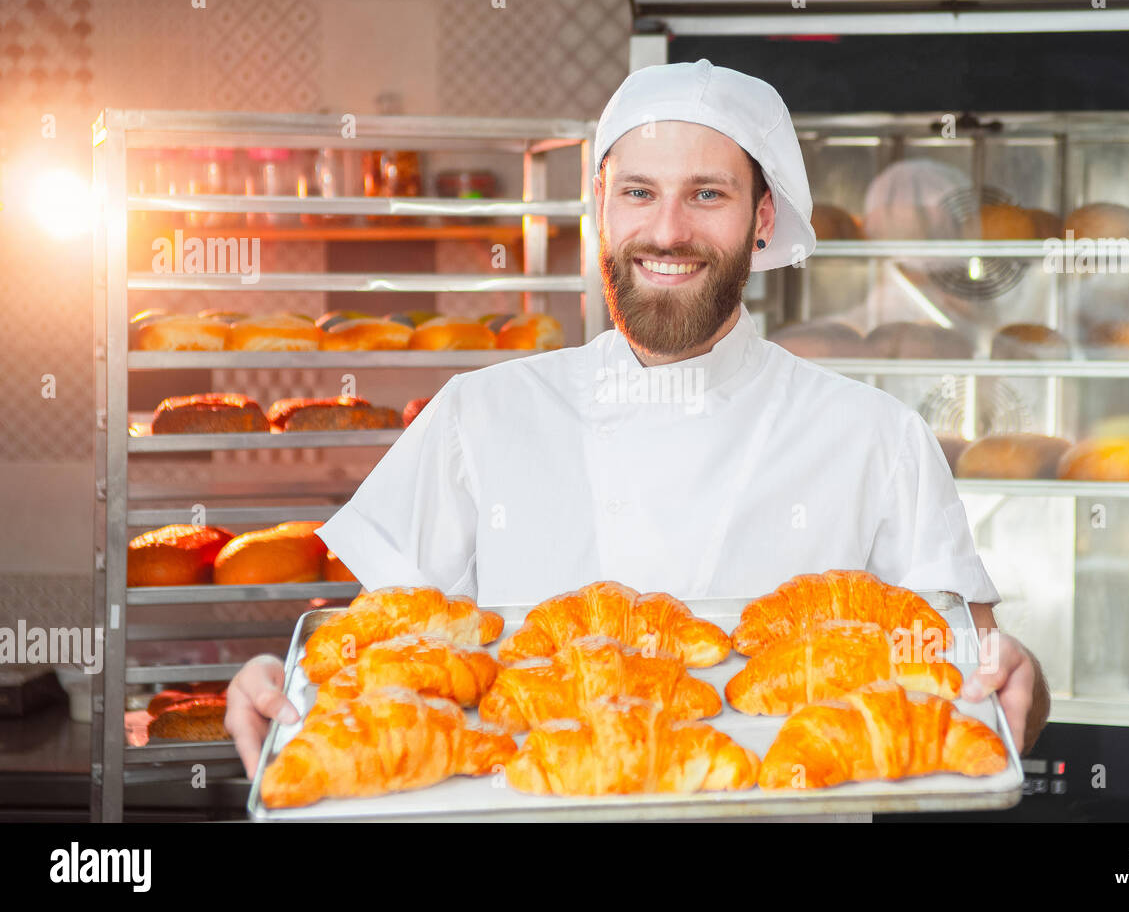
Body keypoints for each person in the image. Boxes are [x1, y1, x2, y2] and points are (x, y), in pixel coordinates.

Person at [226, 59, 1051, 781]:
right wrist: (281, 685)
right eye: (638, 193)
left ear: (761, 220)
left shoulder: (875, 437)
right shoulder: (478, 417)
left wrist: (1024, 683)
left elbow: (972, 677)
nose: (667, 230)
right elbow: (375, 658)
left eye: (707, 194)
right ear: (600, 210)